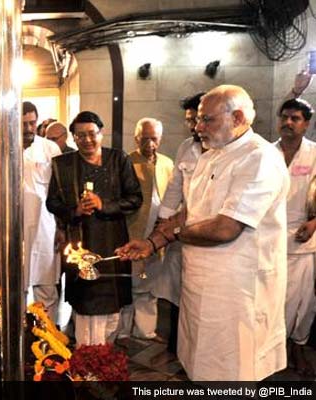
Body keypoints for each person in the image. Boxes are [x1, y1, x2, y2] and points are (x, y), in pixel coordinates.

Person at [116, 85, 289, 381]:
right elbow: (193, 209)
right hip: (200, 285)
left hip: (238, 288)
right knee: (200, 363)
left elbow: (225, 228)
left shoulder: (259, 157)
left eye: (207, 120)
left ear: (236, 118)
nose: (198, 127)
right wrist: (151, 242)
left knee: (234, 369)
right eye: (197, 120)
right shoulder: (212, 154)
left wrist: (175, 234)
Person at [46, 111, 142, 346]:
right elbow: (52, 202)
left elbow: (135, 198)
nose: (87, 140)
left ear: (101, 132)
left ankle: (102, 354)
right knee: (87, 304)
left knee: (112, 308)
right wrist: (75, 211)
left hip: (113, 242)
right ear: (73, 138)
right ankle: (87, 358)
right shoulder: (63, 164)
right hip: (80, 242)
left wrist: (104, 205)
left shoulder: (118, 159)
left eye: (92, 134)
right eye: (80, 136)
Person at [0, 101, 61, 322]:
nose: (29, 128)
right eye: (23, 124)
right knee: (13, 283)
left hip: (45, 226)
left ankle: (48, 335)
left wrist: (63, 227)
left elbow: (61, 191)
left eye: (32, 123)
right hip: (11, 225)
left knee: (46, 284)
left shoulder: (51, 149)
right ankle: (15, 332)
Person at [151, 92, 206, 360]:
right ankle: (176, 345)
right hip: (179, 233)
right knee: (175, 291)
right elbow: (174, 190)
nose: (195, 127)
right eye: (190, 120)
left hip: (210, 239)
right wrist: (161, 228)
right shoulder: (186, 147)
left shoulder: (231, 152)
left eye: (199, 119)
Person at [275, 98, 316, 376]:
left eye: (296, 118)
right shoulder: (265, 153)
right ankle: (277, 352)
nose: (288, 123)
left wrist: (315, 222)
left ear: (306, 124)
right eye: (285, 117)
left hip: (304, 239)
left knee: (303, 302)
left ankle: (298, 345)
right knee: (274, 301)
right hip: (270, 240)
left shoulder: (314, 154)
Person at [124, 118, 173, 342]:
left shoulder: (167, 163)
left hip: (158, 233)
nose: (150, 144)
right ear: (136, 139)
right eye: (145, 139)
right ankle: (124, 331)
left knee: (151, 283)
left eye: (154, 139)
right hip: (133, 230)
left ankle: (146, 330)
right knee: (130, 282)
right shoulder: (126, 162)